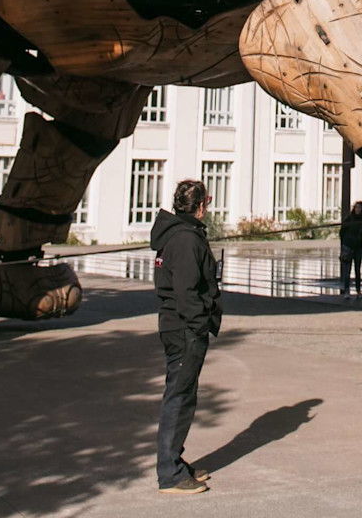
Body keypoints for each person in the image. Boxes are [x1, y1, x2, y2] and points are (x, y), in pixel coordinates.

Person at [152, 178, 221, 495]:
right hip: (183, 331)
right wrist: (198, 327)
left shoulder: (180, 234)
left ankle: (175, 461)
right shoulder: (185, 240)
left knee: (183, 398)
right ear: (201, 205)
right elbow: (187, 292)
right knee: (178, 399)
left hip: (179, 328)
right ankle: (169, 473)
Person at [338, 200, 362, 298]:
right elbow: (342, 232)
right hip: (348, 246)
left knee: (357, 270)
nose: (357, 210)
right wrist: (344, 245)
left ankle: (358, 290)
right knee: (347, 270)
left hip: (358, 247)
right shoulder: (349, 219)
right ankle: (346, 291)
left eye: (359, 208)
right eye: (356, 207)